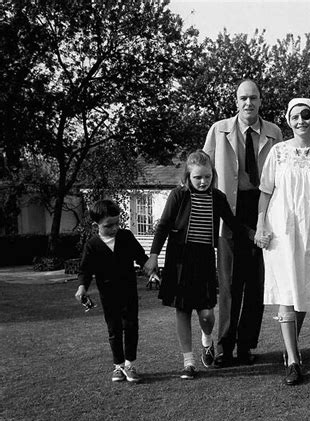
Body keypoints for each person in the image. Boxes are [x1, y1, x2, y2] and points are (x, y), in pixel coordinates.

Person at [143, 150, 258, 379]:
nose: (203, 181)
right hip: (180, 259)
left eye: (207, 176)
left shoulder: (217, 197)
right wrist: (154, 255)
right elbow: (164, 225)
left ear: (212, 174)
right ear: (188, 176)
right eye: (197, 177)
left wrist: (255, 234)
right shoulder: (178, 195)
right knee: (183, 310)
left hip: (204, 259)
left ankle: (207, 341)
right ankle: (189, 362)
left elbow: (233, 224)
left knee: (206, 314)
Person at [255, 98, 310, 386]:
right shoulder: (278, 152)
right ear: (288, 121)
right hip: (280, 230)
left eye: (306, 115)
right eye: (295, 116)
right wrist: (259, 227)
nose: (301, 120)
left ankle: (289, 345)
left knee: (303, 290)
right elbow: (266, 192)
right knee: (287, 293)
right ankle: (293, 361)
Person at [203, 78, 283, 367]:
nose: (248, 103)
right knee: (228, 285)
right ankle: (224, 346)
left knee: (256, 284)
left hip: (262, 212)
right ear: (236, 102)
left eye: (254, 97)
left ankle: (246, 346)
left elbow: (281, 177)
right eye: (243, 98)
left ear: (261, 100)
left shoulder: (274, 132)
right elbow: (205, 173)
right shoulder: (219, 130)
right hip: (229, 214)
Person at [75, 199, 148, 383]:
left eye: (117, 223)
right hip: (108, 294)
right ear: (96, 225)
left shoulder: (126, 237)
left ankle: (130, 364)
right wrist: (82, 287)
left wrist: (151, 268)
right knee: (114, 329)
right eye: (109, 225)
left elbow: (141, 258)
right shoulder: (92, 245)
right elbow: (85, 270)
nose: (115, 228)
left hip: (129, 291)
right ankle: (118, 366)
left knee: (131, 326)